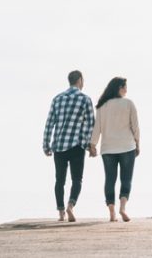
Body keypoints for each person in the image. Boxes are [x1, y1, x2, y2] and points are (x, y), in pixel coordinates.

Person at [43, 70, 95, 222]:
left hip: (59, 146)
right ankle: (70, 206)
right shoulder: (85, 99)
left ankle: (60, 213)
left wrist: (46, 144)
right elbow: (91, 124)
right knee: (77, 179)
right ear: (79, 80)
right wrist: (90, 145)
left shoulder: (57, 99)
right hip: (77, 146)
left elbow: (49, 124)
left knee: (59, 180)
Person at [90, 76, 141, 222]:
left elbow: (97, 128)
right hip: (127, 147)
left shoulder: (102, 106)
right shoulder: (129, 104)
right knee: (126, 179)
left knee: (110, 179)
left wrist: (92, 145)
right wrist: (138, 143)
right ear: (118, 88)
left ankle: (112, 212)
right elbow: (135, 127)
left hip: (108, 149)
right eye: (124, 87)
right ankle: (122, 208)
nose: (126, 89)